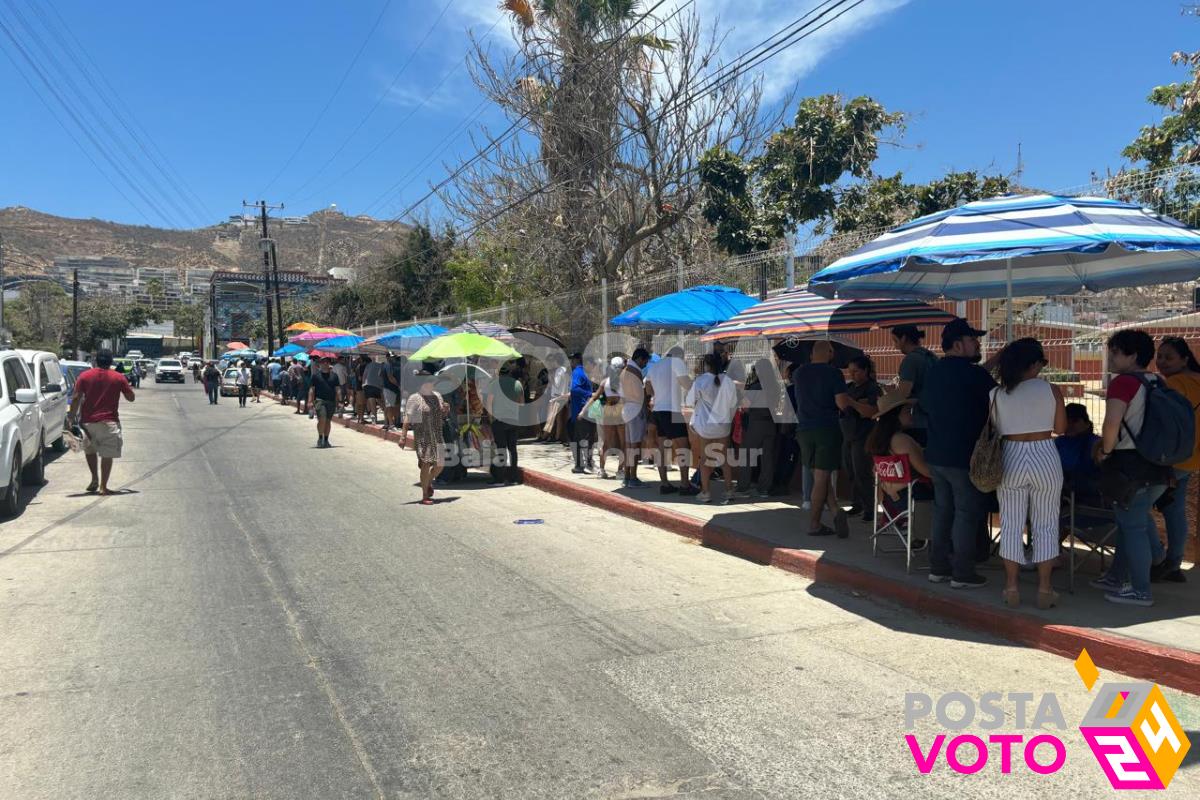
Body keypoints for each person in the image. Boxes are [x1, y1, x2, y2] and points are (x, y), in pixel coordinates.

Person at [1093, 330, 1175, 606]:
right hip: (1158, 465)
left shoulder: (1123, 383)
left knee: (1133, 527)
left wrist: (1104, 451)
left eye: (1116, 352)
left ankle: (1141, 589)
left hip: (1129, 467)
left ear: (1133, 355)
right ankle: (1118, 576)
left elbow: (1111, 423)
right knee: (1130, 523)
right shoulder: (1158, 382)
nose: (1111, 358)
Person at [989, 338, 1066, 610]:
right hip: (1045, 453)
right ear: (1033, 363)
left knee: (1010, 523)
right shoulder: (1051, 389)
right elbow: (1061, 428)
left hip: (1011, 454)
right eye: (1041, 362)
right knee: (1046, 523)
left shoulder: (996, 395)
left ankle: (1011, 587)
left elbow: (996, 429)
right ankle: (1045, 590)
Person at [921, 317, 996, 589]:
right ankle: (962, 572)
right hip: (965, 457)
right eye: (973, 339)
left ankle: (938, 567)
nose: (978, 343)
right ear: (957, 344)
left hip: (937, 455)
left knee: (943, 512)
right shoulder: (975, 376)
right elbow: (997, 399)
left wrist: (994, 361)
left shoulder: (935, 372)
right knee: (966, 513)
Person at [793, 340, 855, 537]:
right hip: (826, 429)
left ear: (812, 354)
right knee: (822, 477)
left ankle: (836, 511)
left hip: (804, 430)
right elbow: (842, 403)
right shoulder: (834, 373)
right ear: (829, 352)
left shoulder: (799, 373)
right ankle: (814, 524)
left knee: (820, 475)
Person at [1152, 336, 1200, 583]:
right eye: (1159, 356)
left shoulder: (1175, 384)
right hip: (1193, 459)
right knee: (1175, 510)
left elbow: (1166, 424)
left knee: (1137, 507)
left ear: (1184, 358)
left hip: (1173, 458)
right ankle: (1174, 561)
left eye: (1169, 357)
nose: (1162, 362)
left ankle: (1160, 558)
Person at [67, 349, 135, 495]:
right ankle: (103, 487)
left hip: (88, 422)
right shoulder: (118, 377)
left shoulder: (84, 376)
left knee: (90, 451)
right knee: (107, 454)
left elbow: (76, 397)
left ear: (96, 361)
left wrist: (71, 417)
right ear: (111, 362)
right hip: (109, 421)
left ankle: (94, 478)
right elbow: (131, 398)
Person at [684, 353, 739, 503]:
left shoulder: (700, 381)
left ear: (706, 365)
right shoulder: (728, 381)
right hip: (723, 425)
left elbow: (689, 401)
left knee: (705, 458)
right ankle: (729, 490)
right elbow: (734, 403)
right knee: (724, 458)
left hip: (706, 426)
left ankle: (705, 492)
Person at [645, 346, 695, 495]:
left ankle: (664, 484)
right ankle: (685, 485)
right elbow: (687, 384)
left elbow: (647, 388)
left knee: (662, 449)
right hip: (672, 410)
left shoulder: (655, 366)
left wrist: (659, 394)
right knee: (683, 448)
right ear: (679, 355)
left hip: (658, 411)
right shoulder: (677, 362)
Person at [400, 364, 449, 504]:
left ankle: (428, 482)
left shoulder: (437, 396)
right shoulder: (414, 398)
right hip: (423, 435)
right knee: (427, 463)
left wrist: (445, 409)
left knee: (440, 463)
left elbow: (442, 413)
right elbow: (408, 418)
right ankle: (424, 495)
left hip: (437, 433)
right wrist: (403, 437)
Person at [841, 355, 882, 520]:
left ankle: (869, 509)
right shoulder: (850, 387)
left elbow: (871, 411)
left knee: (862, 473)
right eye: (850, 371)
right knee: (850, 471)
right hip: (848, 434)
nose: (852, 375)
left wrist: (853, 403)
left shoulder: (872, 388)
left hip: (863, 435)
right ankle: (856, 503)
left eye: (856, 371)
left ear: (865, 370)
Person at [735, 358, 781, 499]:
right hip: (770, 424)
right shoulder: (776, 387)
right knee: (767, 457)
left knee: (747, 455)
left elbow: (746, 406)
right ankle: (764, 489)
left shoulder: (755, 387)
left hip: (755, 423)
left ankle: (743, 487)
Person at [890, 324, 938, 436]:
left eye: (895, 341)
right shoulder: (931, 357)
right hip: (935, 419)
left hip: (918, 421)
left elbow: (903, 394)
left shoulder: (911, 360)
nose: (895, 346)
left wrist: (891, 393)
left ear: (903, 338)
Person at [486, 360, 524, 485]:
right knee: (513, 449)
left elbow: (489, 403)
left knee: (501, 449)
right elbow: (522, 403)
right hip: (514, 420)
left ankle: (500, 479)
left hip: (499, 421)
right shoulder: (518, 384)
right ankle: (514, 478)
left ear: (499, 372)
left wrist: (491, 418)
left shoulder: (494, 384)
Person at [619, 348, 651, 488]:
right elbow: (640, 395)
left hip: (626, 409)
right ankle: (633, 477)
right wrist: (645, 410)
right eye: (645, 361)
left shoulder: (624, 371)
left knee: (629, 446)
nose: (645, 364)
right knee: (635, 446)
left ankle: (627, 476)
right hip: (636, 409)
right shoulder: (635, 372)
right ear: (640, 358)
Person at [591, 357, 626, 480]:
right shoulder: (624, 381)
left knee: (606, 442)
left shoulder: (605, 381)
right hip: (620, 410)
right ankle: (620, 471)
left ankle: (601, 470)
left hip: (608, 410)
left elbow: (595, 397)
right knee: (623, 443)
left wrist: (583, 410)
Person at [1056, 403, 1101, 497]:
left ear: (1087, 424)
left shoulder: (1094, 442)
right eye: (1067, 421)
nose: (1070, 425)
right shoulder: (1059, 442)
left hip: (1088, 490)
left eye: (1075, 421)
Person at [569, 354, 597, 473]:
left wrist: (588, 394)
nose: (571, 362)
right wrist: (589, 394)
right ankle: (585, 465)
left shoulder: (578, 372)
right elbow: (574, 389)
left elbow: (574, 389)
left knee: (582, 439)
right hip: (582, 411)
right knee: (585, 439)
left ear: (576, 361)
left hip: (581, 410)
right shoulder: (580, 372)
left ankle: (581, 465)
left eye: (572, 360)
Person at [308, 357, 341, 448]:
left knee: (328, 421)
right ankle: (320, 438)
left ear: (329, 364)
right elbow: (311, 389)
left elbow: (337, 389)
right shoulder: (315, 376)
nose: (325, 364)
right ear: (319, 364)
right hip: (319, 401)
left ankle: (326, 440)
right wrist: (310, 401)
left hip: (331, 401)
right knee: (322, 419)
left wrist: (340, 400)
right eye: (323, 362)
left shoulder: (334, 376)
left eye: (327, 362)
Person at [539, 354, 571, 444]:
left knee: (551, 418)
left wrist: (550, 377)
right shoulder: (564, 370)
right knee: (559, 419)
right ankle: (557, 436)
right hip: (562, 396)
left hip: (556, 397)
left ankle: (545, 436)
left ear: (555, 361)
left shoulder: (558, 371)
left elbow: (556, 384)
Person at [382, 354, 404, 430]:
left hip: (393, 388)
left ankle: (392, 423)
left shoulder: (392, 365)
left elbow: (380, 375)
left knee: (394, 406)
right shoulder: (388, 365)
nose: (393, 358)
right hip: (390, 388)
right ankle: (391, 424)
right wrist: (399, 385)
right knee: (390, 406)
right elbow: (390, 377)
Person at [362, 356, 385, 424]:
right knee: (380, 401)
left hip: (369, 385)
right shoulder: (381, 366)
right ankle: (387, 415)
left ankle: (374, 419)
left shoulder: (368, 365)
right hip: (378, 386)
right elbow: (382, 376)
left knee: (372, 403)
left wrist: (363, 385)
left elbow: (364, 376)